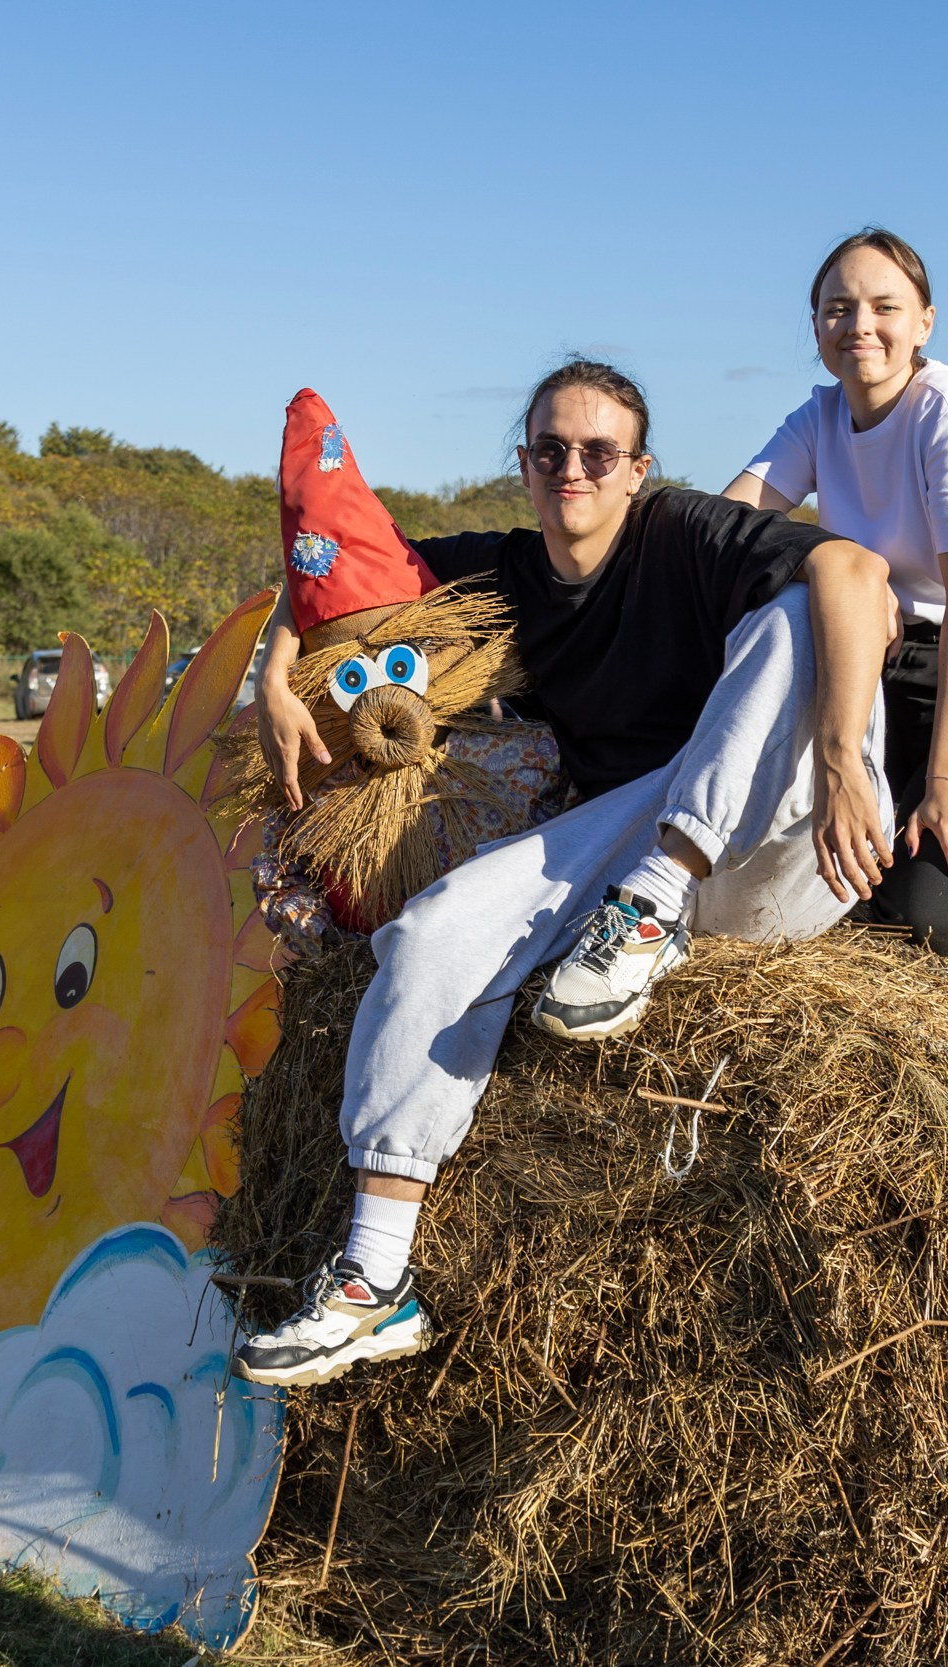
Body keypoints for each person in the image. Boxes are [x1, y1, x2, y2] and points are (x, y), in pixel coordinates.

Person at [235, 362, 896, 1388]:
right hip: (626, 837)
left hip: (785, 829)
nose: (571, 470)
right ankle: (372, 1280)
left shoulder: (683, 532)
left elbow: (856, 572)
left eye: (597, 453)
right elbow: (337, 565)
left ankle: (654, 902)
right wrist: (279, 674)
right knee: (428, 933)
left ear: (638, 469)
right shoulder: (503, 572)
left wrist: (850, 759)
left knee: (795, 613)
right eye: (550, 451)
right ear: (525, 464)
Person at [728, 228, 948, 954]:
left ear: (925, 322)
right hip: (882, 670)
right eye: (837, 308)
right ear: (816, 324)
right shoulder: (819, 416)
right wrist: (827, 556)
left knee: (929, 915)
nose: (859, 326)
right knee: (824, 889)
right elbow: (724, 528)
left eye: (884, 306)